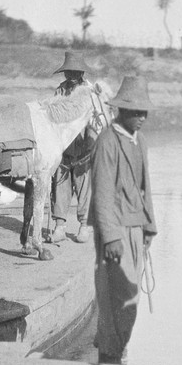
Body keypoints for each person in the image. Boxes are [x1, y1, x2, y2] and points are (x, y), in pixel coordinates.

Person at [90, 75, 157, 364]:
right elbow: (103, 191)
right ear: (121, 111)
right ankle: (110, 355)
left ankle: (117, 351)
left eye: (145, 112)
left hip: (136, 226)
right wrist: (112, 237)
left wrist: (149, 226)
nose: (142, 117)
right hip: (116, 230)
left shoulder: (139, 140)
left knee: (130, 298)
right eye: (136, 112)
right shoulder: (108, 141)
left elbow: (146, 186)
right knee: (116, 296)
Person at [48, 51, 107, 244]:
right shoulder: (60, 90)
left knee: (84, 187)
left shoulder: (91, 91)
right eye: (68, 72)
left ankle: (84, 226)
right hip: (64, 147)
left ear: (81, 72)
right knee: (60, 187)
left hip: (84, 146)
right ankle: (60, 227)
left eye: (75, 72)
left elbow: (99, 117)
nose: (71, 76)